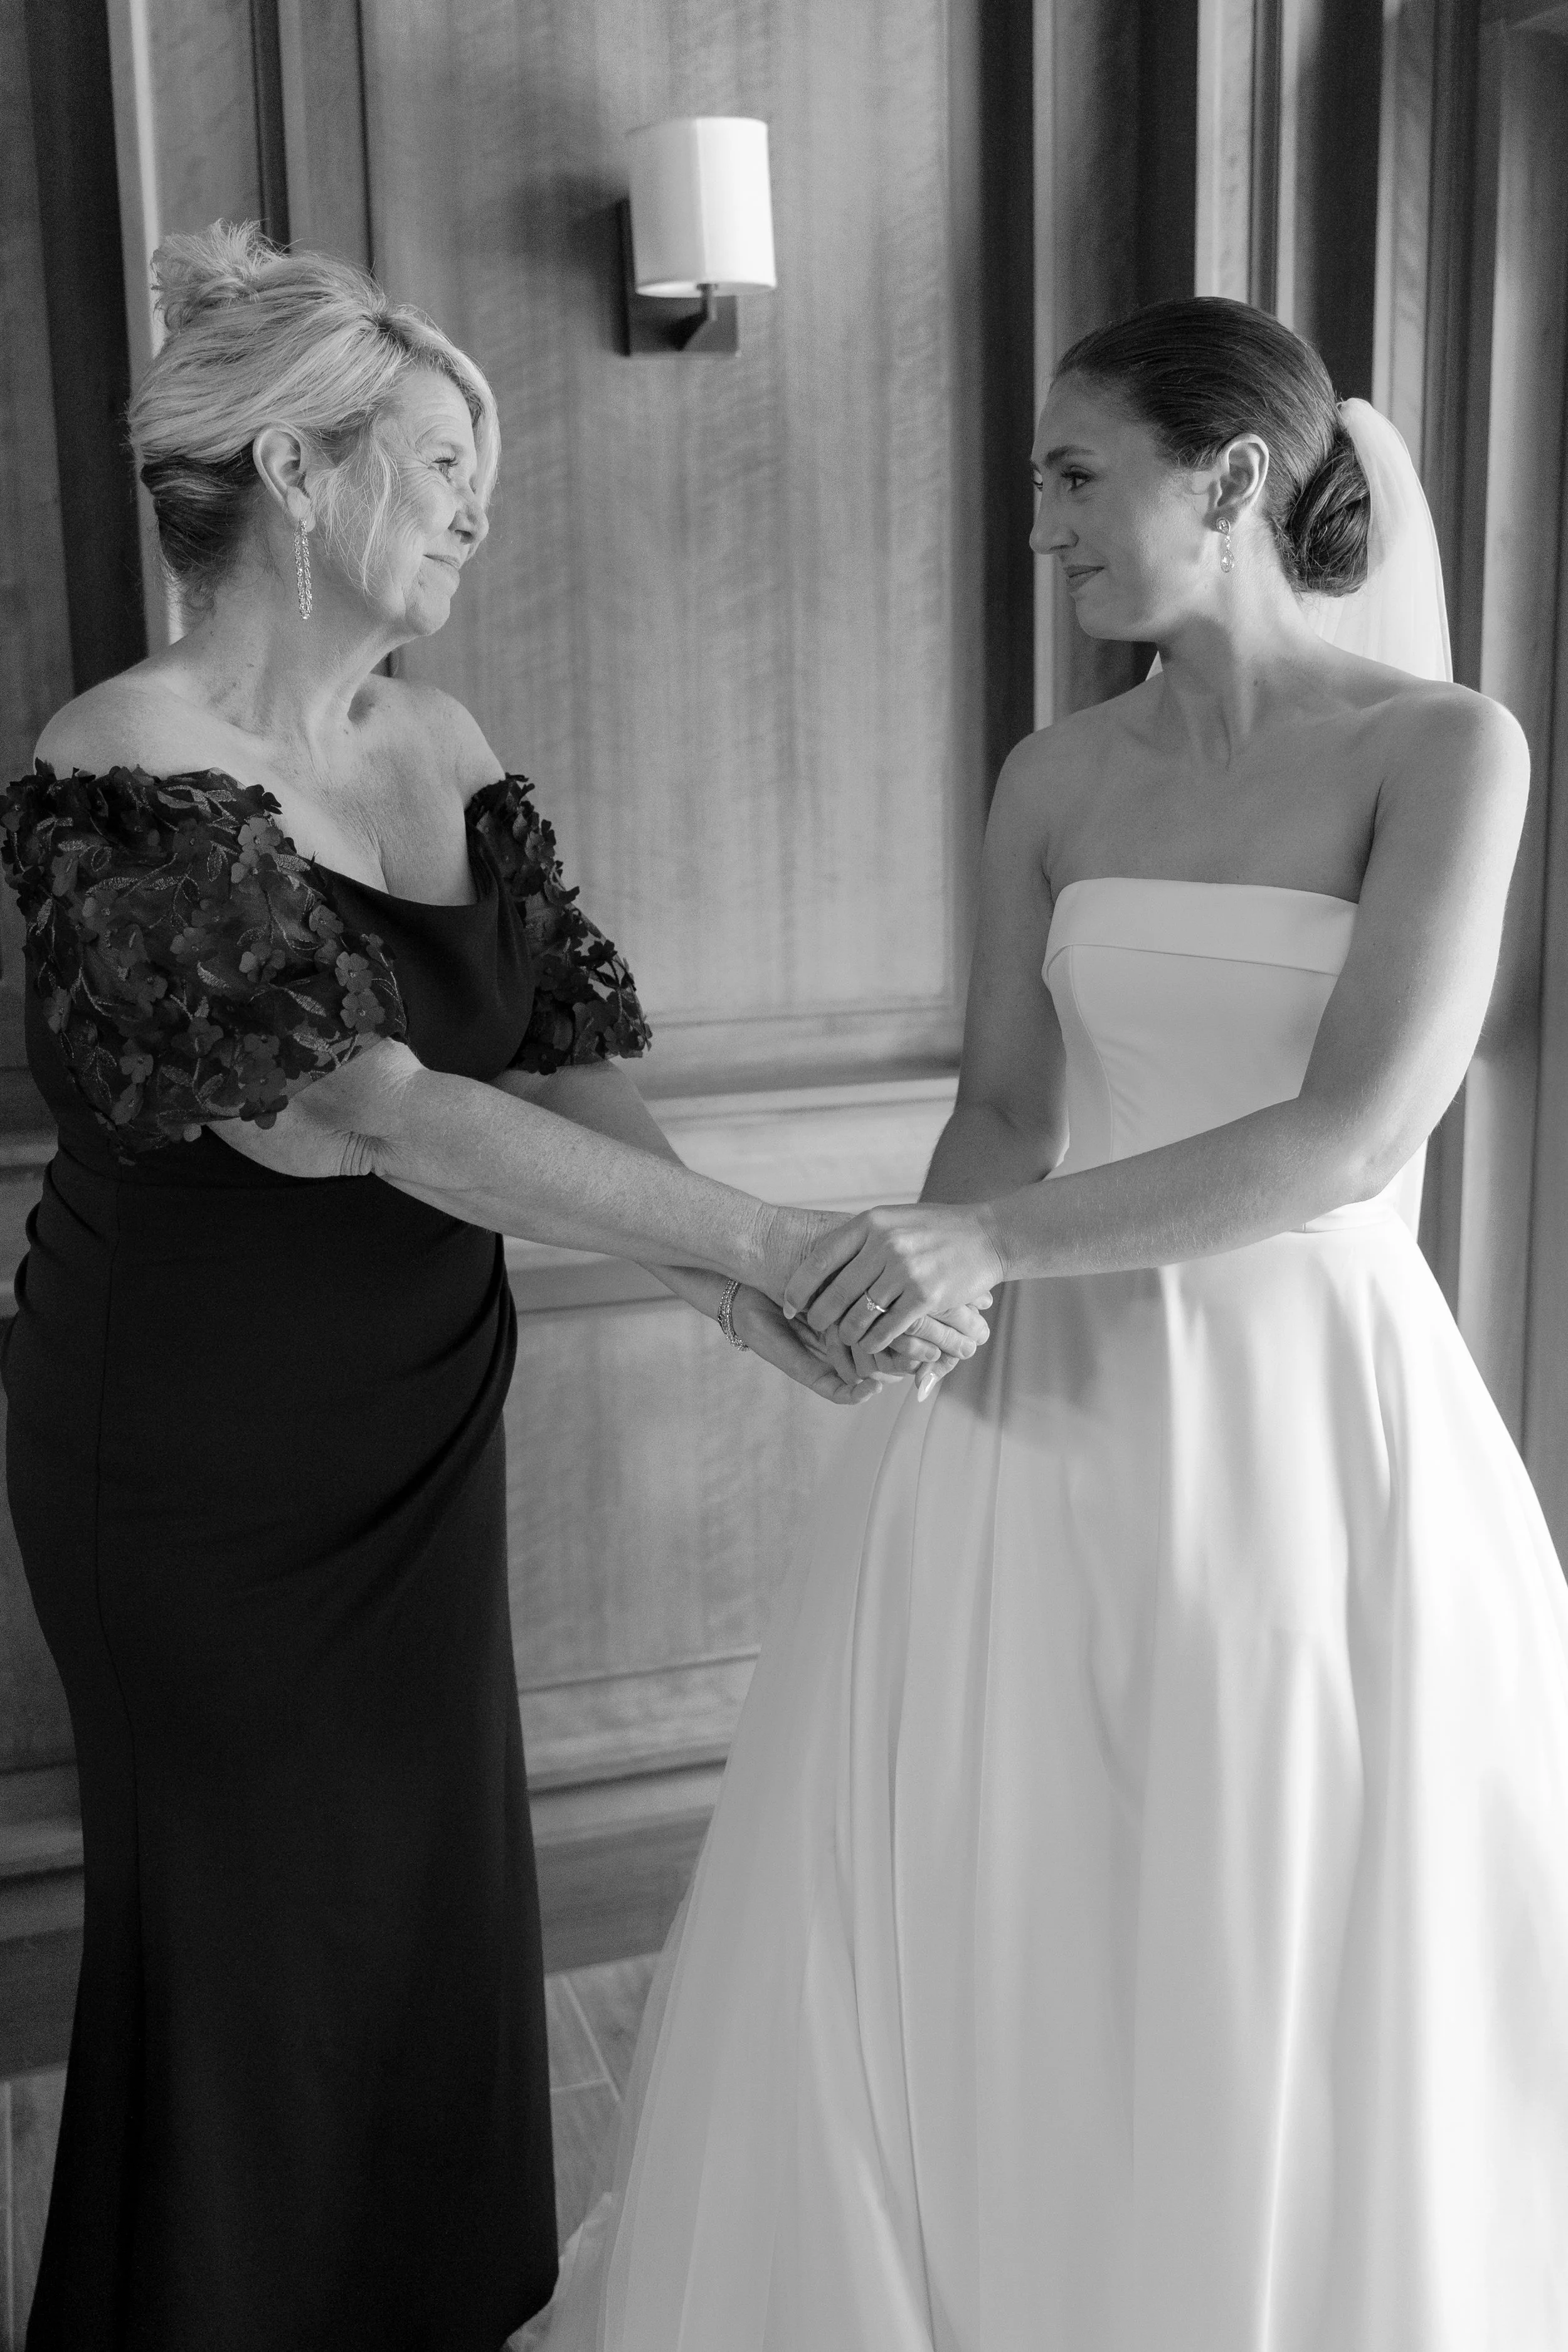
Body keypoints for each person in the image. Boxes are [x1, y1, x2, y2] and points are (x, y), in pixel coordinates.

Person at [531, 299, 1568, 2349]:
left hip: (1301, 1412)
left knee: (1260, 1863)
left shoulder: (1442, 753)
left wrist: (986, 1253)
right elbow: (1002, 1109)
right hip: (1034, 1397)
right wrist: (880, 1287)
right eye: (1039, 481)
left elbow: (1352, 1135)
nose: (1044, 526)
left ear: (1233, 479)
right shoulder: (1050, 778)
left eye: (1075, 474)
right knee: (1000, 1859)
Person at [0, 223, 983, 2352]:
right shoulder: (116, 761)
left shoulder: (438, 741)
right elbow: (358, 1108)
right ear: (291, 469)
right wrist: (756, 1247)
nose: (473, 505)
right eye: (444, 457)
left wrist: (743, 1295)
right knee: (253, 1935)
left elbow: (552, 1054)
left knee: (428, 1907)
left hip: (413, 1418)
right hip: (188, 1453)